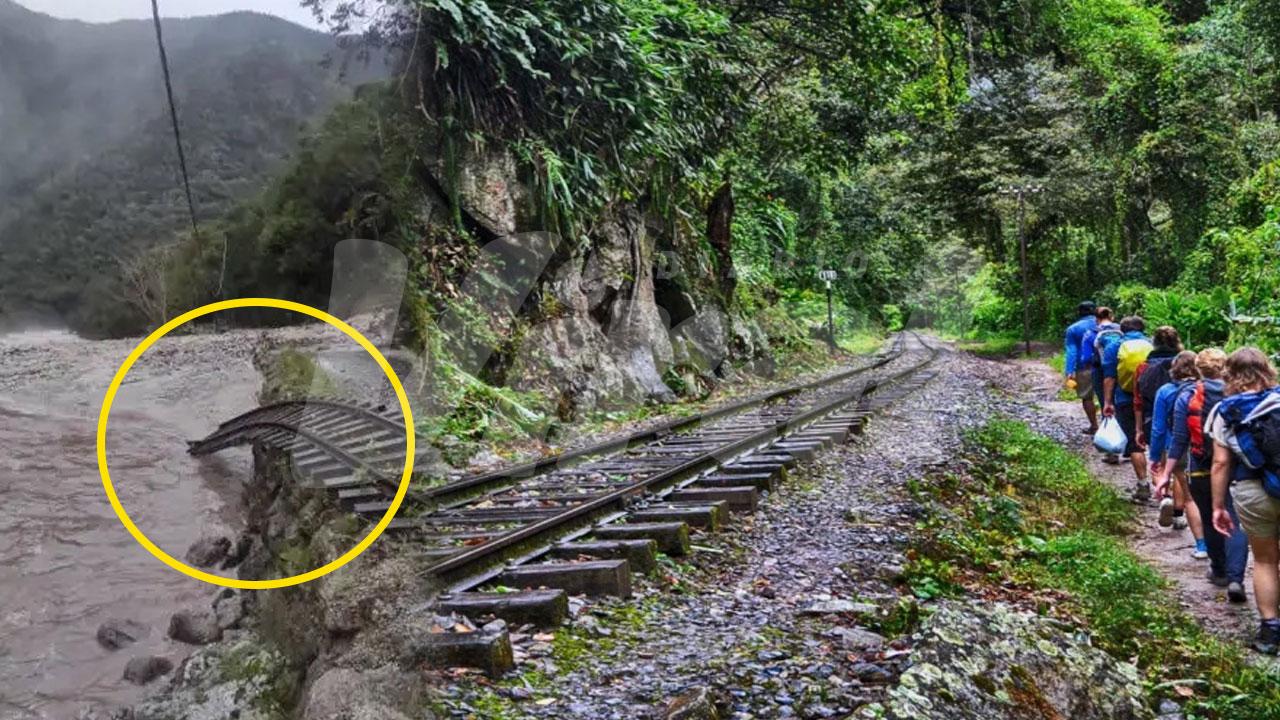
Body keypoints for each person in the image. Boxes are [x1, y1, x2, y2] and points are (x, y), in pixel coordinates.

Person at [1157, 349, 1248, 602]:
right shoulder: (1237, 393)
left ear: (1199, 369)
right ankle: (1236, 579)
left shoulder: (1187, 395)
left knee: (1209, 518)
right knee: (1235, 520)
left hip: (1199, 466)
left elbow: (1178, 439)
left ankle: (1218, 570)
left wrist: (1166, 473)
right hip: (1235, 467)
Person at [1211, 348, 1280, 653]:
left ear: (1230, 374)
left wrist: (1217, 506)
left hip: (1252, 490)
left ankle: (1270, 631)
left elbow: (1220, 464)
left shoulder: (1225, 410)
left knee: (1265, 559)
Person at [1147, 351, 1204, 547]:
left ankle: (1201, 545)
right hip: (1206, 447)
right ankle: (1179, 515)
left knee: (1191, 496)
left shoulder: (1165, 391)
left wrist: (1154, 456)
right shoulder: (1206, 388)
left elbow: (1158, 427)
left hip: (1176, 446)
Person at [1102, 317, 1154, 501]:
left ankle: (1143, 485)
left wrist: (1107, 402)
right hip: (1153, 400)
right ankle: (1167, 490)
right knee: (1159, 444)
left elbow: (1109, 378)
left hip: (1126, 398)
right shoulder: (1152, 345)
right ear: (1143, 329)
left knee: (1134, 443)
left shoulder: (1114, 347)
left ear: (1122, 330)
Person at [1082, 308, 1121, 463]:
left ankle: (1112, 451)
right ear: (1111, 316)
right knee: (1122, 406)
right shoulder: (1121, 330)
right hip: (1122, 371)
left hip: (1101, 373)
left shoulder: (1091, 333)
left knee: (1107, 405)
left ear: (1096, 318)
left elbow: (1085, 357)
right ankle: (1130, 448)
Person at [1064, 301, 1099, 434]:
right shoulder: (1104, 325)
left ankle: (1094, 426)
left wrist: (1069, 371)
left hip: (1084, 366)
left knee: (1087, 397)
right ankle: (1112, 427)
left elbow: (1071, 351)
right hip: (1106, 366)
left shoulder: (1073, 329)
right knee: (1108, 397)